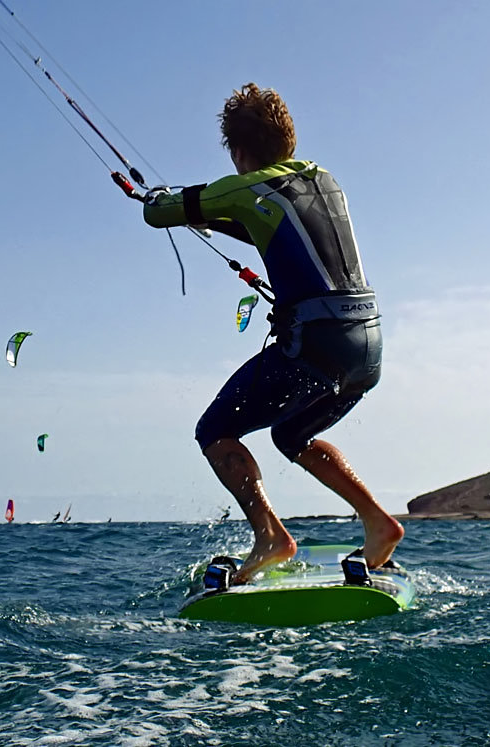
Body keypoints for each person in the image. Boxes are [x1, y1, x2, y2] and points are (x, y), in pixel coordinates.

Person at [142, 83, 403, 584]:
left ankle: (271, 538)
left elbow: (159, 212)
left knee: (214, 431)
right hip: (368, 350)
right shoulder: (325, 179)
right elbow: (275, 224)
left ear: (239, 151)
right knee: (291, 433)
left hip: (315, 347)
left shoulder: (243, 187)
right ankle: (377, 522)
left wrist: (152, 197)